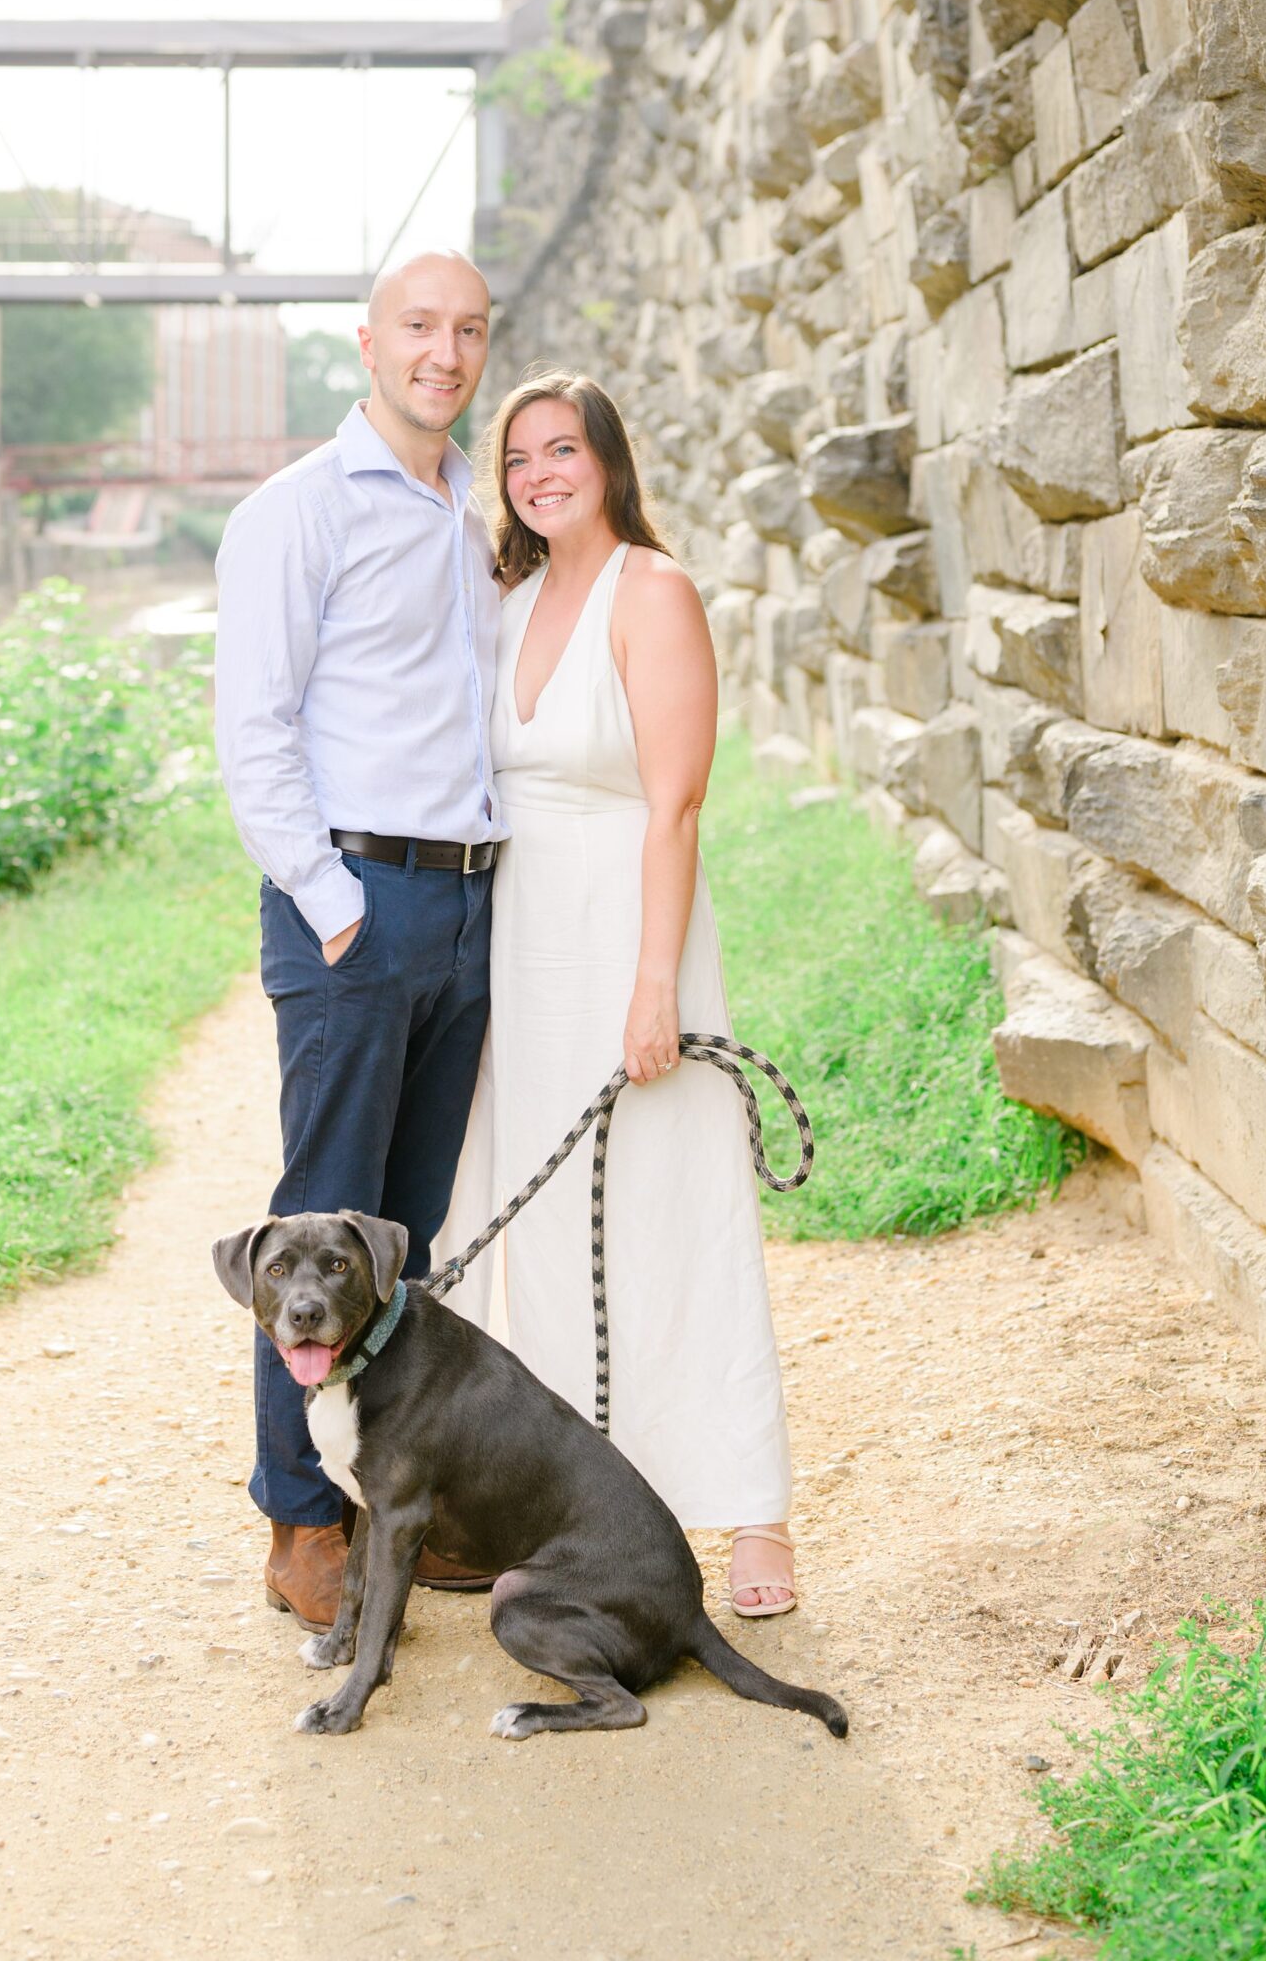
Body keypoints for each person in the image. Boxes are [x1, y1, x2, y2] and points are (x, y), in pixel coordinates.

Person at [437, 370, 797, 1617]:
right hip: (523, 939)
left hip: (631, 925)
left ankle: (753, 1507)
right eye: (519, 458)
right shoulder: (510, 595)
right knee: (539, 1224)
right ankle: (561, 1499)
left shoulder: (655, 591)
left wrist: (655, 986)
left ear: (607, 461)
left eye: (562, 451)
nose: (540, 474)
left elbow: (676, 801)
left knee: (674, 1193)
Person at [213, 250, 503, 1634]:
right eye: (417, 328)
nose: (441, 353)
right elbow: (253, 729)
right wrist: (332, 902)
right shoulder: (298, 511)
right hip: (355, 904)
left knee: (408, 1238)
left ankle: (400, 1492)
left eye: (465, 331)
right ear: (366, 341)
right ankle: (298, 1515)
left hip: (463, 901)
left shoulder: (471, 515)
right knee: (318, 1233)